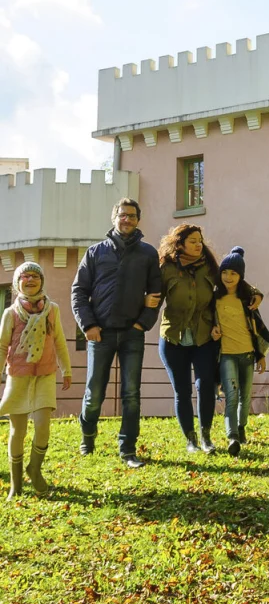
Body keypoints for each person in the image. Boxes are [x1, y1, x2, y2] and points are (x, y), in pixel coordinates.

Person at [71, 197, 162, 468]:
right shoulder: (95, 252)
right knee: (94, 393)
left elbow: (157, 294)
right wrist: (88, 325)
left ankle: (128, 449)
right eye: (123, 215)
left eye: (132, 216)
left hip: (133, 333)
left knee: (132, 393)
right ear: (114, 218)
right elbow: (79, 292)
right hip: (101, 334)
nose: (127, 219)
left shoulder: (148, 254)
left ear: (138, 220)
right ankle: (88, 436)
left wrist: (142, 324)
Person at [0, 262, 72, 499]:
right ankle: (16, 484)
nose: (30, 280)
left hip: (45, 375)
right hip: (18, 377)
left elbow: (59, 341)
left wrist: (67, 370)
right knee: (17, 430)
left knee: (43, 425)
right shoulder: (10, 314)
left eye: (35, 276)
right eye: (24, 276)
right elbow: (2, 347)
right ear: (17, 282)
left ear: (42, 281)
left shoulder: (52, 310)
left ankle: (35, 469)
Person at [157, 224, 221, 455]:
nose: (198, 244)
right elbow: (153, 296)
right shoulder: (167, 268)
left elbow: (225, 294)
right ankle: (190, 440)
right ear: (180, 243)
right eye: (192, 240)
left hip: (204, 336)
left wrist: (253, 295)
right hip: (173, 337)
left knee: (205, 385)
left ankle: (206, 437)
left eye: (200, 240)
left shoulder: (210, 268)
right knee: (182, 391)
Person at [212, 247, 269, 457]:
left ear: (241, 276)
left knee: (245, 398)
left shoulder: (248, 300)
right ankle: (232, 437)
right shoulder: (214, 297)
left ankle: (241, 427)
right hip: (226, 355)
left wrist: (261, 355)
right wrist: (213, 331)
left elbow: (256, 329)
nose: (228, 277)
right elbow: (209, 322)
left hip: (247, 354)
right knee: (231, 396)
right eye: (225, 272)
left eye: (234, 273)